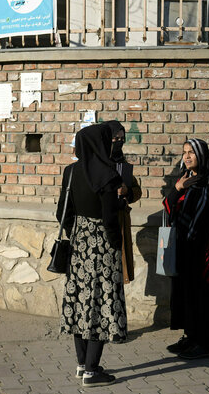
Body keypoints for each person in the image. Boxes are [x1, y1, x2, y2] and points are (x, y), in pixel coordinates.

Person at [57, 123, 127, 387]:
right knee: (100, 304)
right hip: (102, 247)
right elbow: (110, 217)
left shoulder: (71, 172)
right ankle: (92, 371)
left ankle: (81, 364)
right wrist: (115, 244)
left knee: (80, 301)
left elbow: (61, 212)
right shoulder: (107, 175)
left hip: (78, 244)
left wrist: (76, 232)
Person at [162, 138, 209, 360]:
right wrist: (176, 188)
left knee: (202, 296)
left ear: (202, 155)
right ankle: (191, 337)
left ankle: (203, 344)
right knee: (186, 294)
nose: (186, 156)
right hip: (184, 248)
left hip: (204, 250)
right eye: (184, 152)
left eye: (191, 152)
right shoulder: (186, 181)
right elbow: (168, 207)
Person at [102, 120, 142, 283]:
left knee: (118, 270)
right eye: (115, 139)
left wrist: (127, 192)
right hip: (103, 221)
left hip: (120, 221)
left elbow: (137, 191)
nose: (118, 142)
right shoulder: (99, 164)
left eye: (121, 139)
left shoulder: (123, 165)